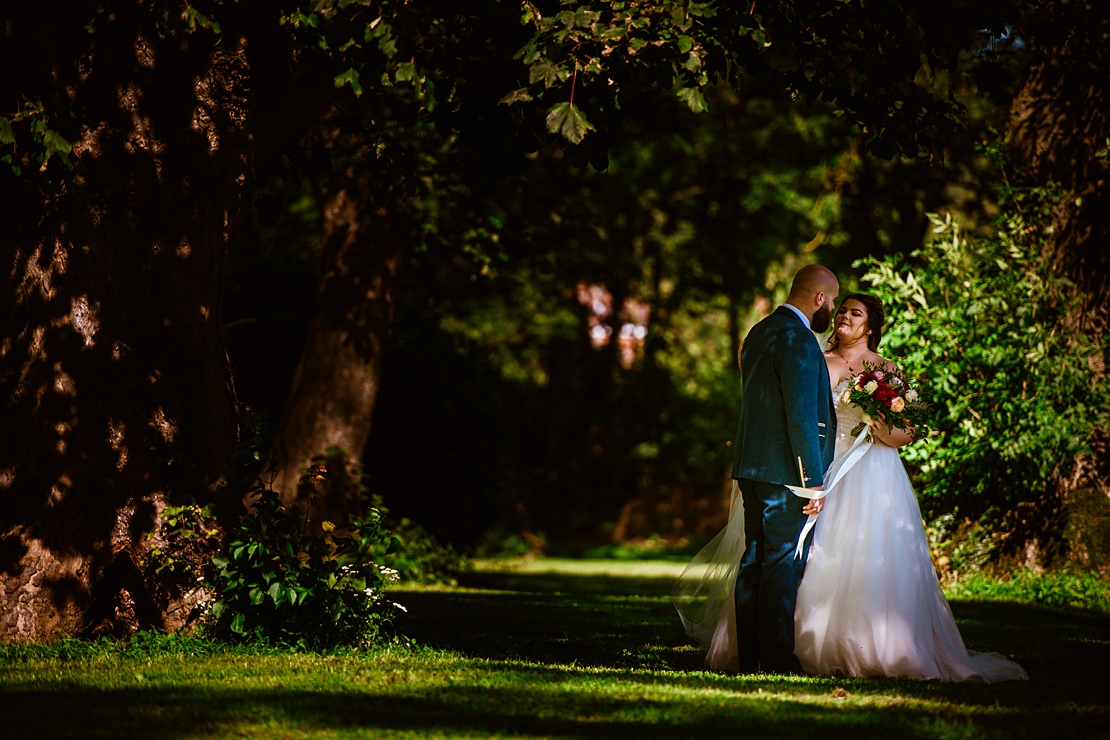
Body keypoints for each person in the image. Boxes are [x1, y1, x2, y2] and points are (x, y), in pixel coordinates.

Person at [792, 293, 1028, 681]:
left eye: (855, 313)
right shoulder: (819, 361)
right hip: (828, 465)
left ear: (870, 326)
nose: (844, 317)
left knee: (873, 552)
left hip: (874, 470)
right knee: (827, 550)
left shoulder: (885, 369)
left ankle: (880, 645)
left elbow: (907, 432)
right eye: (842, 311)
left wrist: (876, 418)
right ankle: (817, 641)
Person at [674, 264, 839, 674]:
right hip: (788, 473)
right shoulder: (799, 339)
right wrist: (812, 481)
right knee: (782, 562)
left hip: (752, 466)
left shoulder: (760, 333)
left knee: (755, 560)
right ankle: (779, 658)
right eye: (832, 300)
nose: (832, 309)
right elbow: (800, 415)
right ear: (820, 298)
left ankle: (749, 655)